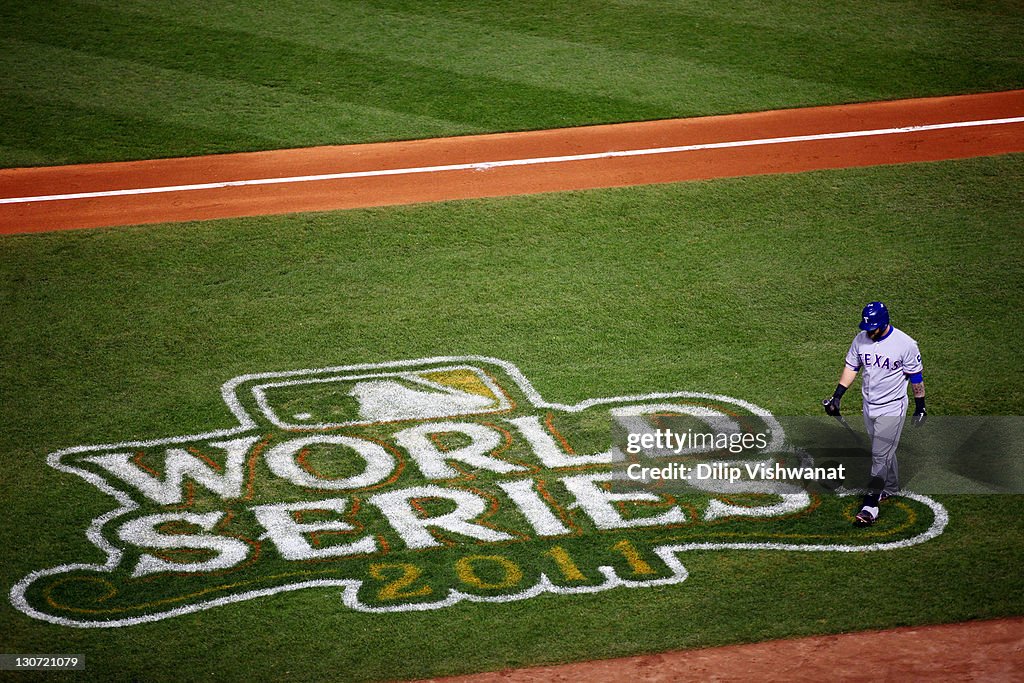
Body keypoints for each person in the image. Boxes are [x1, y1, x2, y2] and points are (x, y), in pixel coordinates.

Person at [822, 301, 927, 526]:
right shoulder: (861, 340)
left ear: (884, 322)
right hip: (869, 405)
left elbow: (916, 377)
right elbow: (852, 367)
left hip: (893, 407)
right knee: (883, 450)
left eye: (873, 327)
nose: (869, 332)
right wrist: (837, 396)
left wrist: (921, 407)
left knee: (880, 454)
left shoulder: (905, 344)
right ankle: (890, 487)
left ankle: (871, 505)